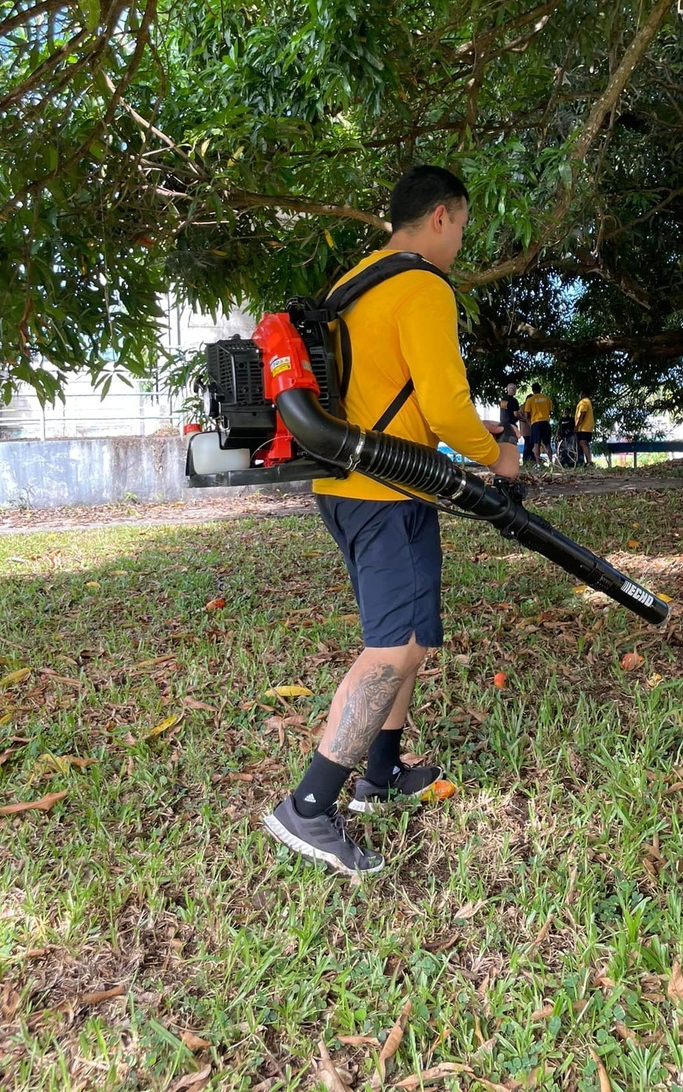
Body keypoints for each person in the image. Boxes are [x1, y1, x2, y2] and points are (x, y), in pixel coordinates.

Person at [263, 166, 520, 875]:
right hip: (379, 488)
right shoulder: (422, 286)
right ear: (440, 216)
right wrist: (496, 454)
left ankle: (382, 773)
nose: (461, 242)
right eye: (463, 227)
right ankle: (309, 806)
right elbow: (443, 405)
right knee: (391, 650)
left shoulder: (357, 282)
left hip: (362, 483)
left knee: (408, 637)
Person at [525, 382, 554, 465]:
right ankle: (551, 462)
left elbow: (527, 415)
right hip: (545, 422)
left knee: (536, 444)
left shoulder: (530, 400)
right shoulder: (547, 399)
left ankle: (538, 464)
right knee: (547, 444)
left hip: (536, 423)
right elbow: (550, 412)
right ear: (540, 389)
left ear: (533, 390)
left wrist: (530, 424)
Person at [498, 381, 521, 447]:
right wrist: (522, 418)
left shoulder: (503, 400)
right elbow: (516, 414)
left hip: (502, 425)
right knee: (512, 445)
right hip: (511, 426)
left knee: (502, 445)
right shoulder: (514, 401)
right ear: (514, 390)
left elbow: (504, 411)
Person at [575, 392, 594, 466]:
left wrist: (577, 426)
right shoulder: (588, 401)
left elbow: (582, 413)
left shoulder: (584, 402)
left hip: (584, 427)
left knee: (583, 443)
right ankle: (588, 461)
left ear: (583, 394)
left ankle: (589, 461)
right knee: (585, 443)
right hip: (588, 427)